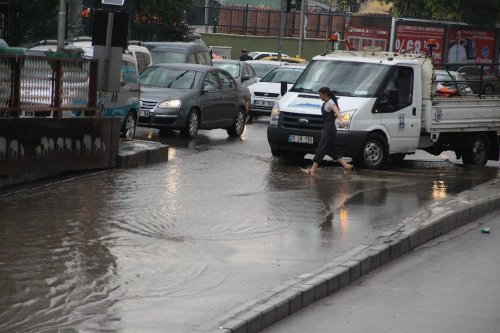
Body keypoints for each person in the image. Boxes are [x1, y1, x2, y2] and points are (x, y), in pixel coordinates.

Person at [301, 87, 354, 176]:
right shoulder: (326, 103)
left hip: (329, 130)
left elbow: (337, 111)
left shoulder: (330, 102)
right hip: (327, 129)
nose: (319, 97)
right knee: (329, 149)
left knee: (320, 149)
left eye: (320, 95)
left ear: (325, 94)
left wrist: (340, 120)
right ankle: (346, 165)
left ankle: (313, 170)